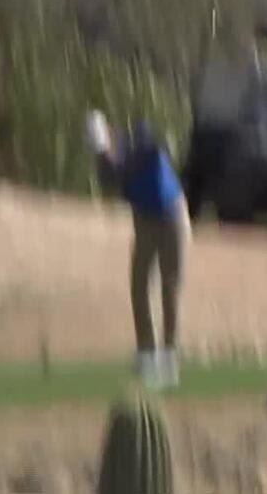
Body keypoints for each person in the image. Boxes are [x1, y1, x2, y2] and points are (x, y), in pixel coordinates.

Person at [88, 113, 190, 387]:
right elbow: (109, 181)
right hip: (145, 220)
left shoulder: (140, 144)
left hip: (173, 217)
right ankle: (147, 355)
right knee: (139, 285)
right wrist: (101, 154)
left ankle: (169, 359)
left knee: (170, 287)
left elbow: (144, 156)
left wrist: (110, 154)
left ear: (113, 132)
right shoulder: (111, 159)